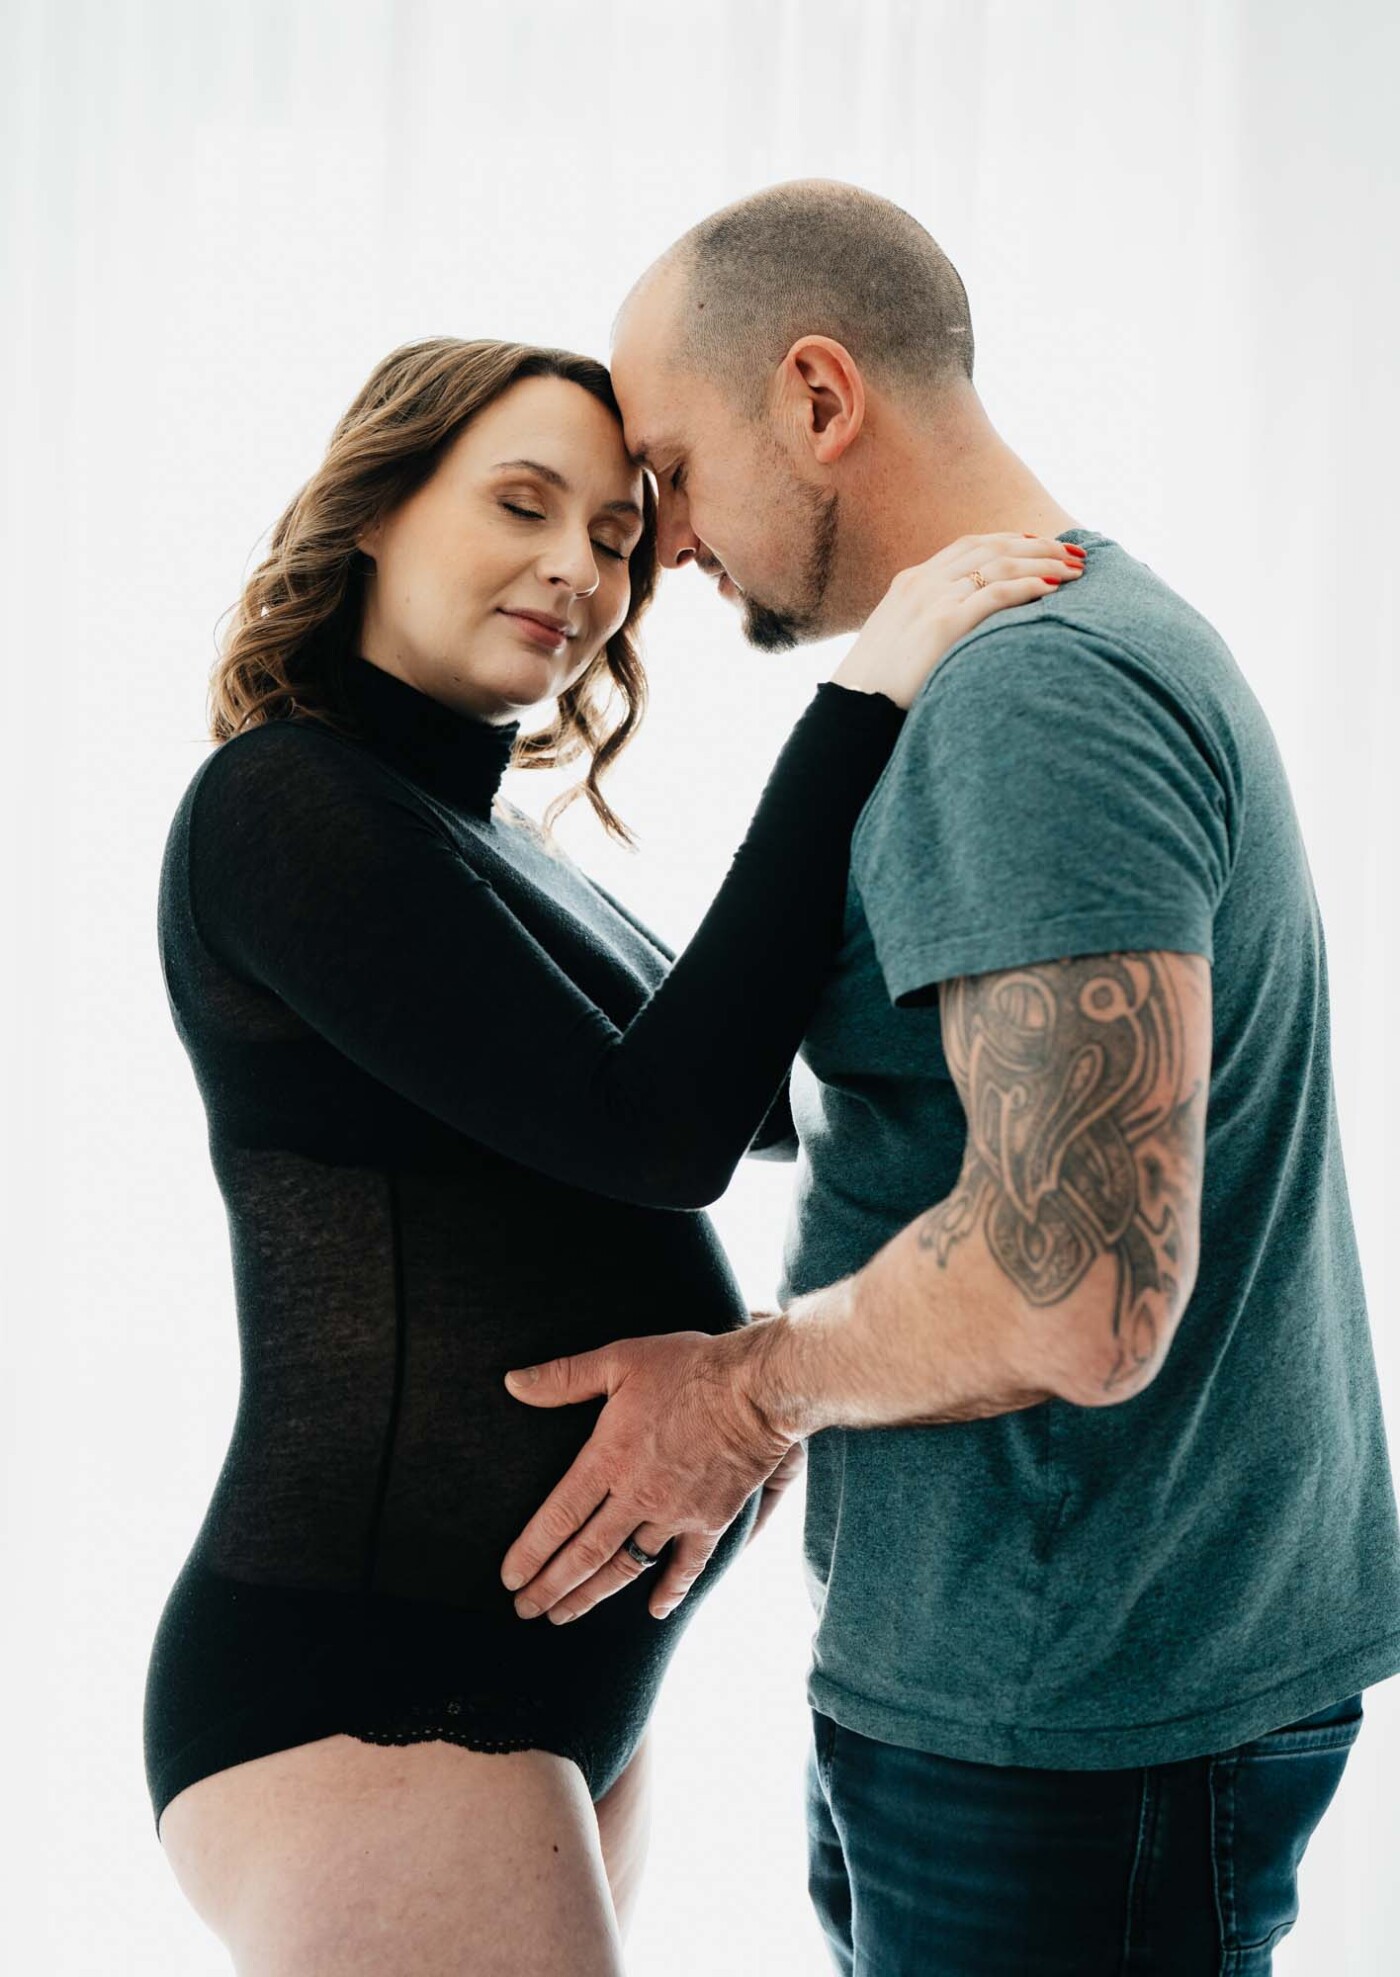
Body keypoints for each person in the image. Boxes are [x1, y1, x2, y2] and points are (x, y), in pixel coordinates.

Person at [496, 179, 1400, 1973]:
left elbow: (1077, 1289)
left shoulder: (1032, 700)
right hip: (1056, 1689)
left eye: (670, 473)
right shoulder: (1039, 658)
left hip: (1070, 1723)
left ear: (820, 397)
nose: (662, 550)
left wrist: (743, 1393)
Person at [143, 330, 1082, 1973]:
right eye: (522, 504)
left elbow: (758, 1096)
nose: (578, 569)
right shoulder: (280, 805)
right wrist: (864, 698)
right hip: (372, 1686)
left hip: (547, 1689)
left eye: (616, 534)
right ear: (374, 509)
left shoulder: (491, 842)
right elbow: (660, 1133)